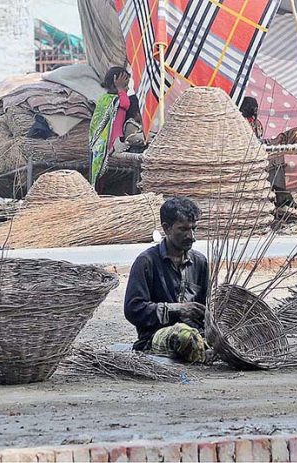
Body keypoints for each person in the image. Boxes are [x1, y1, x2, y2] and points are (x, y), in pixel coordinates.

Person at [124, 197, 209, 363]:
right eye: (183, 229)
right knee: (184, 335)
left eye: (194, 229)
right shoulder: (146, 262)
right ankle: (203, 352)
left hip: (196, 334)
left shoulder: (200, 262)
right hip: (155, 337)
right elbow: (133, 310)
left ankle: (203, 348)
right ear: (166, 228)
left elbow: (205, 308)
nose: (191, 236)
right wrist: (177, 309)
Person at [89, 66, 132, 192]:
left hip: (115, 138)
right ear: (115, 83)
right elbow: (125, 104)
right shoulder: (110, 99)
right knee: (100, 179)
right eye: (125, 85)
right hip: (108, 141)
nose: (127, 89)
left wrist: (121, 89)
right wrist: (121, 90)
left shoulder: (111, 98)